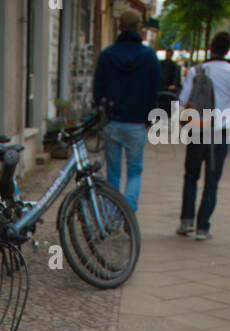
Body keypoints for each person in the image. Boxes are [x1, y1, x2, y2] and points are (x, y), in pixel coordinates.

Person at [176, 32, 230, 240]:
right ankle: (203, 227)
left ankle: (186, 221)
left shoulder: (196, 71)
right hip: (220, 133)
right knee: (212, 181)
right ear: (227, 50)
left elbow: (183, 98)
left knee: (191, 177)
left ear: (210, 46)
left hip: (198, 129)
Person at [93, 10, 161, 213]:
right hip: (137, 123)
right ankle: (128, 213)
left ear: (120, 27)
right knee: (134, 172)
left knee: (113, 173)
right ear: (139, 28)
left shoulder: (107, 55)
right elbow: (154, 90)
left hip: (112, 122)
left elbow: (98, 89)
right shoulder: (149, 57)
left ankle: (113, 215)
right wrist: (149, 118)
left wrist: (100, 112)